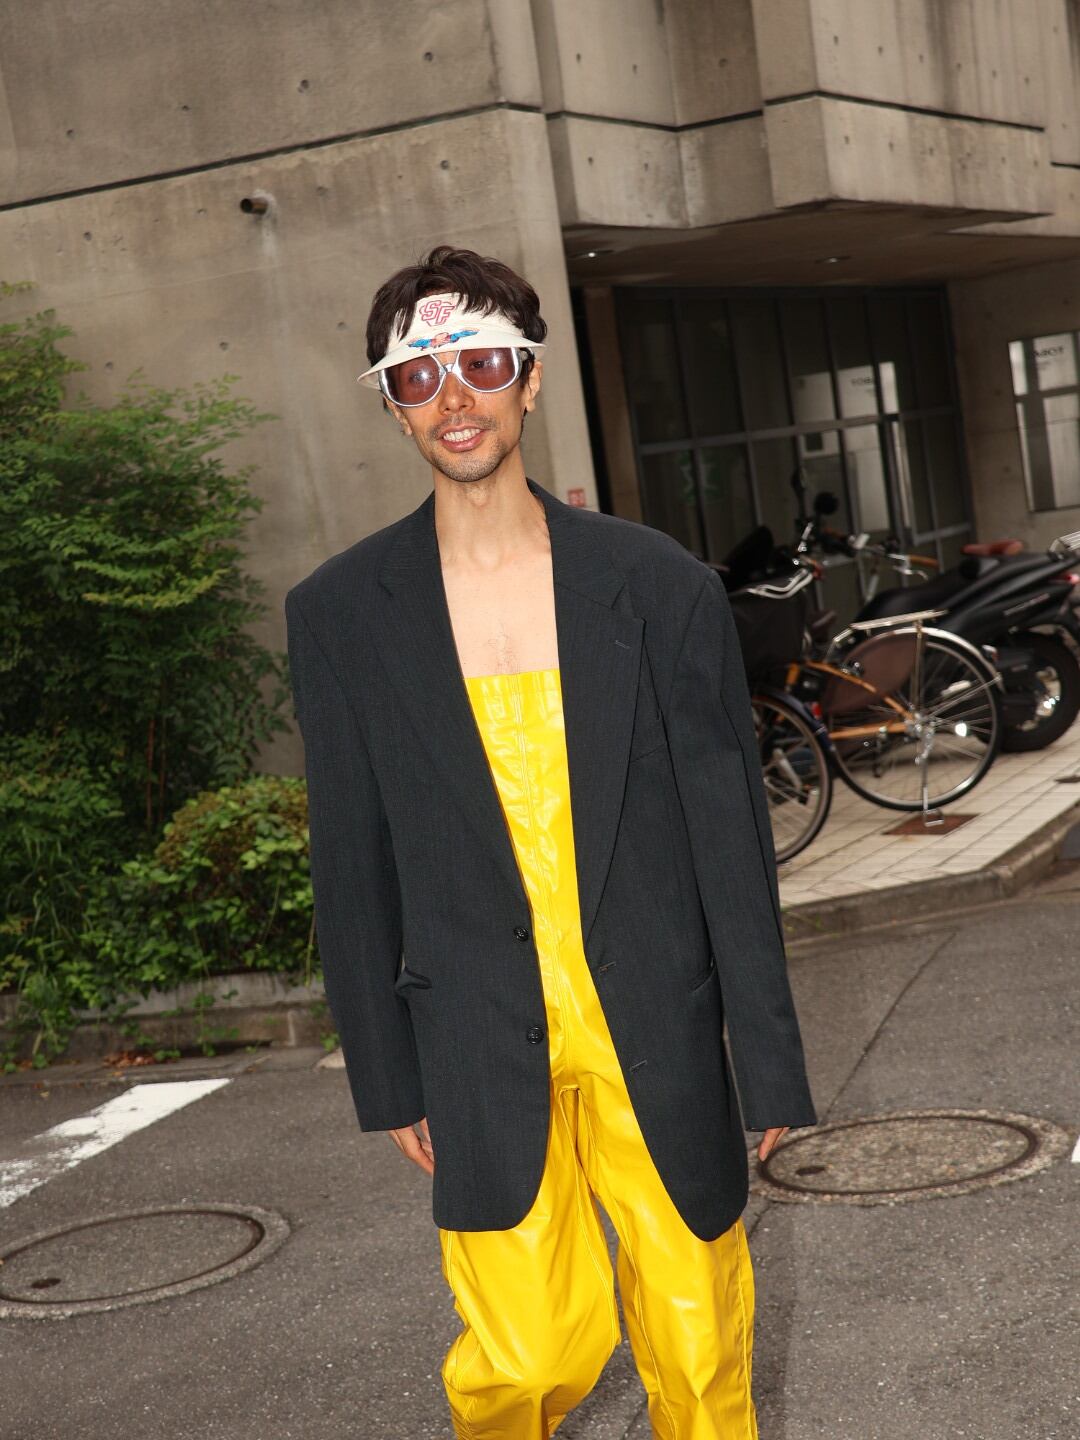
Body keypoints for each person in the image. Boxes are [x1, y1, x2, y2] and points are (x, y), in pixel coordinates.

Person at [285, 244, 817, 1439]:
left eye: (481, 365)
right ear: (392, 405)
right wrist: (387, 1074)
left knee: (698, 1345)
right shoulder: (340, 614)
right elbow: (351, 858)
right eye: (420, 377)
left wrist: (767, 1057)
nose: (454, 398)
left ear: (529, 382)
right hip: (475, 1028)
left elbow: (727, 834)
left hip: (654, 1016)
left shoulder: (659, 585)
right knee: (525, 1359)